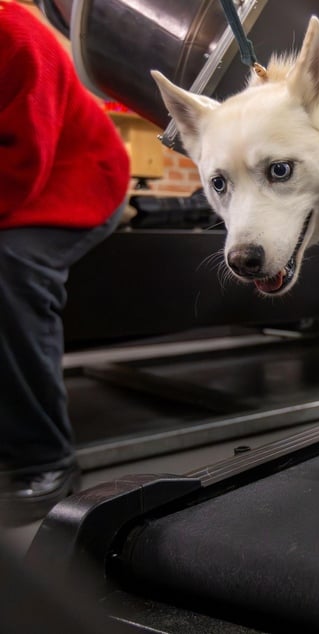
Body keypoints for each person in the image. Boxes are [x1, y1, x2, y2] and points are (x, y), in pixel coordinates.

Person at [0, 1, 131, 524]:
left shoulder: (16, 34)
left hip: (76, 178)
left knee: (10, 268)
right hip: (24, 175)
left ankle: (44, 457)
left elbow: (23, 161)